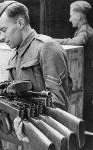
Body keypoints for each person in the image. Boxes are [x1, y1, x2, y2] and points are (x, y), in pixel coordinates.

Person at [0, 1, 72, 150]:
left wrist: (27, 123)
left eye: (4, 29)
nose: (1, 37)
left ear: (20, 22)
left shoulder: (47, 47)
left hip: (41, 128)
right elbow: (12, 97)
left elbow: (58, 104)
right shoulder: (15, 56)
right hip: (19, 123)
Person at [55, 0, 93, 130]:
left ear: (79, 16)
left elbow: (77, 42)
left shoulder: (85, 31)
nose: (70, 19)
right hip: (86, 76)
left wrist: (52, 41)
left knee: (84, 110)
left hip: (88, 77)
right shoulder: (83, 29)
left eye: (71, 15)